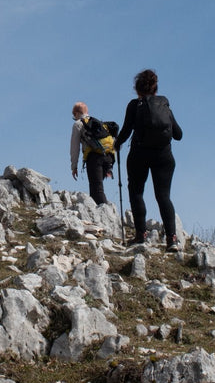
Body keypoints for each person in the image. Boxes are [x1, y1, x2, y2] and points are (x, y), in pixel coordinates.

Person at [114, 69, 183, 251]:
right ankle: (172, 239)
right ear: (155, 88)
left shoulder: (134, 105)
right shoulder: (164, 105)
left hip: (139, 154)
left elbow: (126, 130)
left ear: (137, 89)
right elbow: (178, 135)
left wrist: (117, 143)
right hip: (164, 156)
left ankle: (141, 235)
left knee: (136, 192)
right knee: (163, 196)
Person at [69, 102, 114, 205]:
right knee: (97, 187)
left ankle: (104, 215)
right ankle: (100, 211)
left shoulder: (78, 124)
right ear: (87, 112)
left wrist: (74, 166)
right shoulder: (97, 122)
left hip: (94, 158)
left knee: (96, 189)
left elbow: (74, 147)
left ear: (76, 113)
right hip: (108, 157)